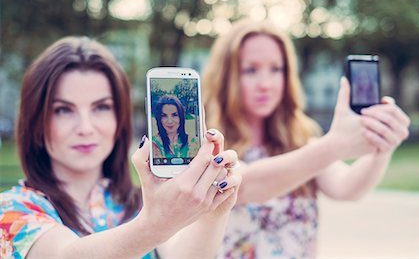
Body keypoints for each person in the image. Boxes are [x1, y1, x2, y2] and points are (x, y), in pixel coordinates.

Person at [0, 36, 241, 258]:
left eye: (101, 107)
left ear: (119, 118)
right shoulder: (12, 209)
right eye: (63, 110)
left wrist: (213, 213)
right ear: (36, 121)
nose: (85, 127)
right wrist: (154, 224)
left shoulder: (139, 203)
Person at [202, 19, 410, 258]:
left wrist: (382, 147)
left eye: (276, 69)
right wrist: (335, 145)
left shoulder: (300, 139)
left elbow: (347, 188)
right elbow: (246, 185)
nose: (266, 84)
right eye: (250, 70)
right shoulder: (212, 142)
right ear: (226, 75)